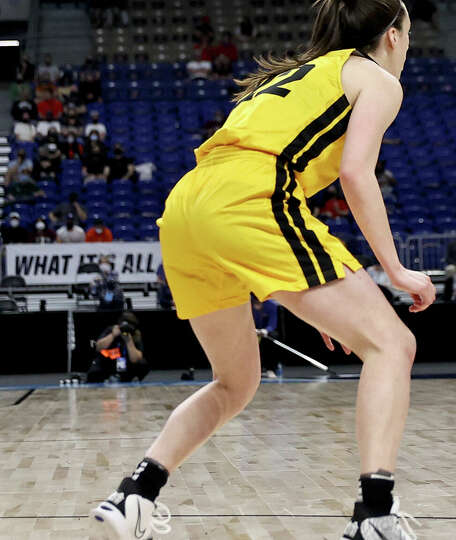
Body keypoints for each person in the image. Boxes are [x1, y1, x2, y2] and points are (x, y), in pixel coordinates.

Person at [90, 4, 434, 540]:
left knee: (236, 382)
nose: (408, 45)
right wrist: (395, 269)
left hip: (189, 206)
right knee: (393, 344)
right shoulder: (378, 80)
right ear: (392, 35)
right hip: (251, 199)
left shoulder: (298, 74)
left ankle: (136, 493)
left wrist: (321, 296)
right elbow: (354, 174)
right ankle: (376, 515)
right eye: (410, 33)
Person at [86, 312, 149, 383]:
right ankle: (105, 379)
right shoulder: (111, 330)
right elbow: (98, 348)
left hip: (126, 364)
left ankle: (131, 379)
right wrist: (113, 335)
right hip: (108, 361)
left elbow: (135, 359)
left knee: (143, 364)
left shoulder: (135, 334)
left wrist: (129, 341)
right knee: (93, 372)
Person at [252, 296, 281, 378]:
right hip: (250, 331)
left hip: (265, 332)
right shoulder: (246, 305)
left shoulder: (271, 305)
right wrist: (251, 330)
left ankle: (271, 369)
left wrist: (265, 330)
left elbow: (273, 323)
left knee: (274, 336)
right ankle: (253, 370)